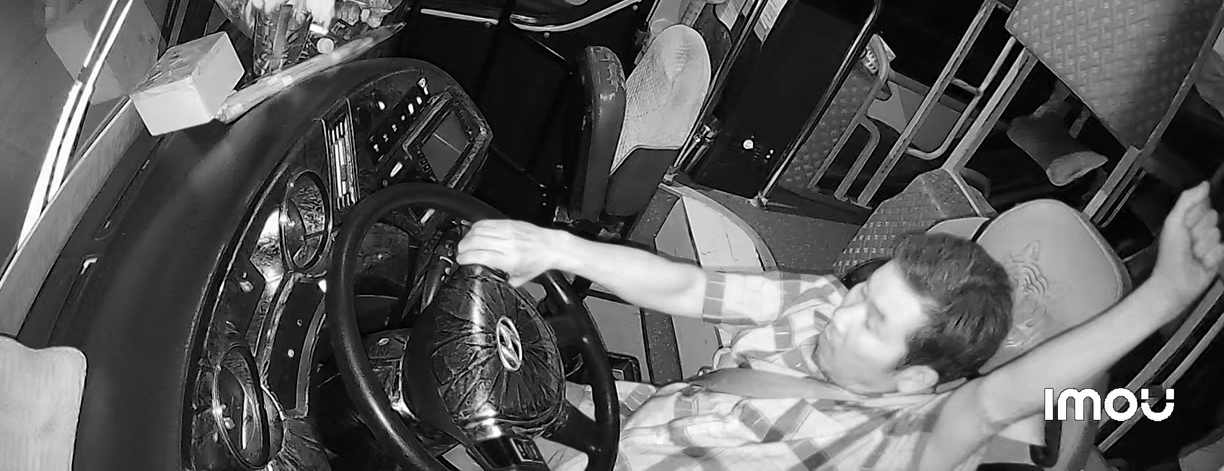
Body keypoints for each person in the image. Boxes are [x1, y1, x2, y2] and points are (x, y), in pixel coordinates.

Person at [456, 182, 1224, 471]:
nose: (844, 309)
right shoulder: (827, 302)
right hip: (612, 422)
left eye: (873, 319)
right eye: (867, 291)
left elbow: (997, 400)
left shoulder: (895, 442)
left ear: (913, 377)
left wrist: (1162, 297)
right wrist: (557, 248)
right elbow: (688, 287)